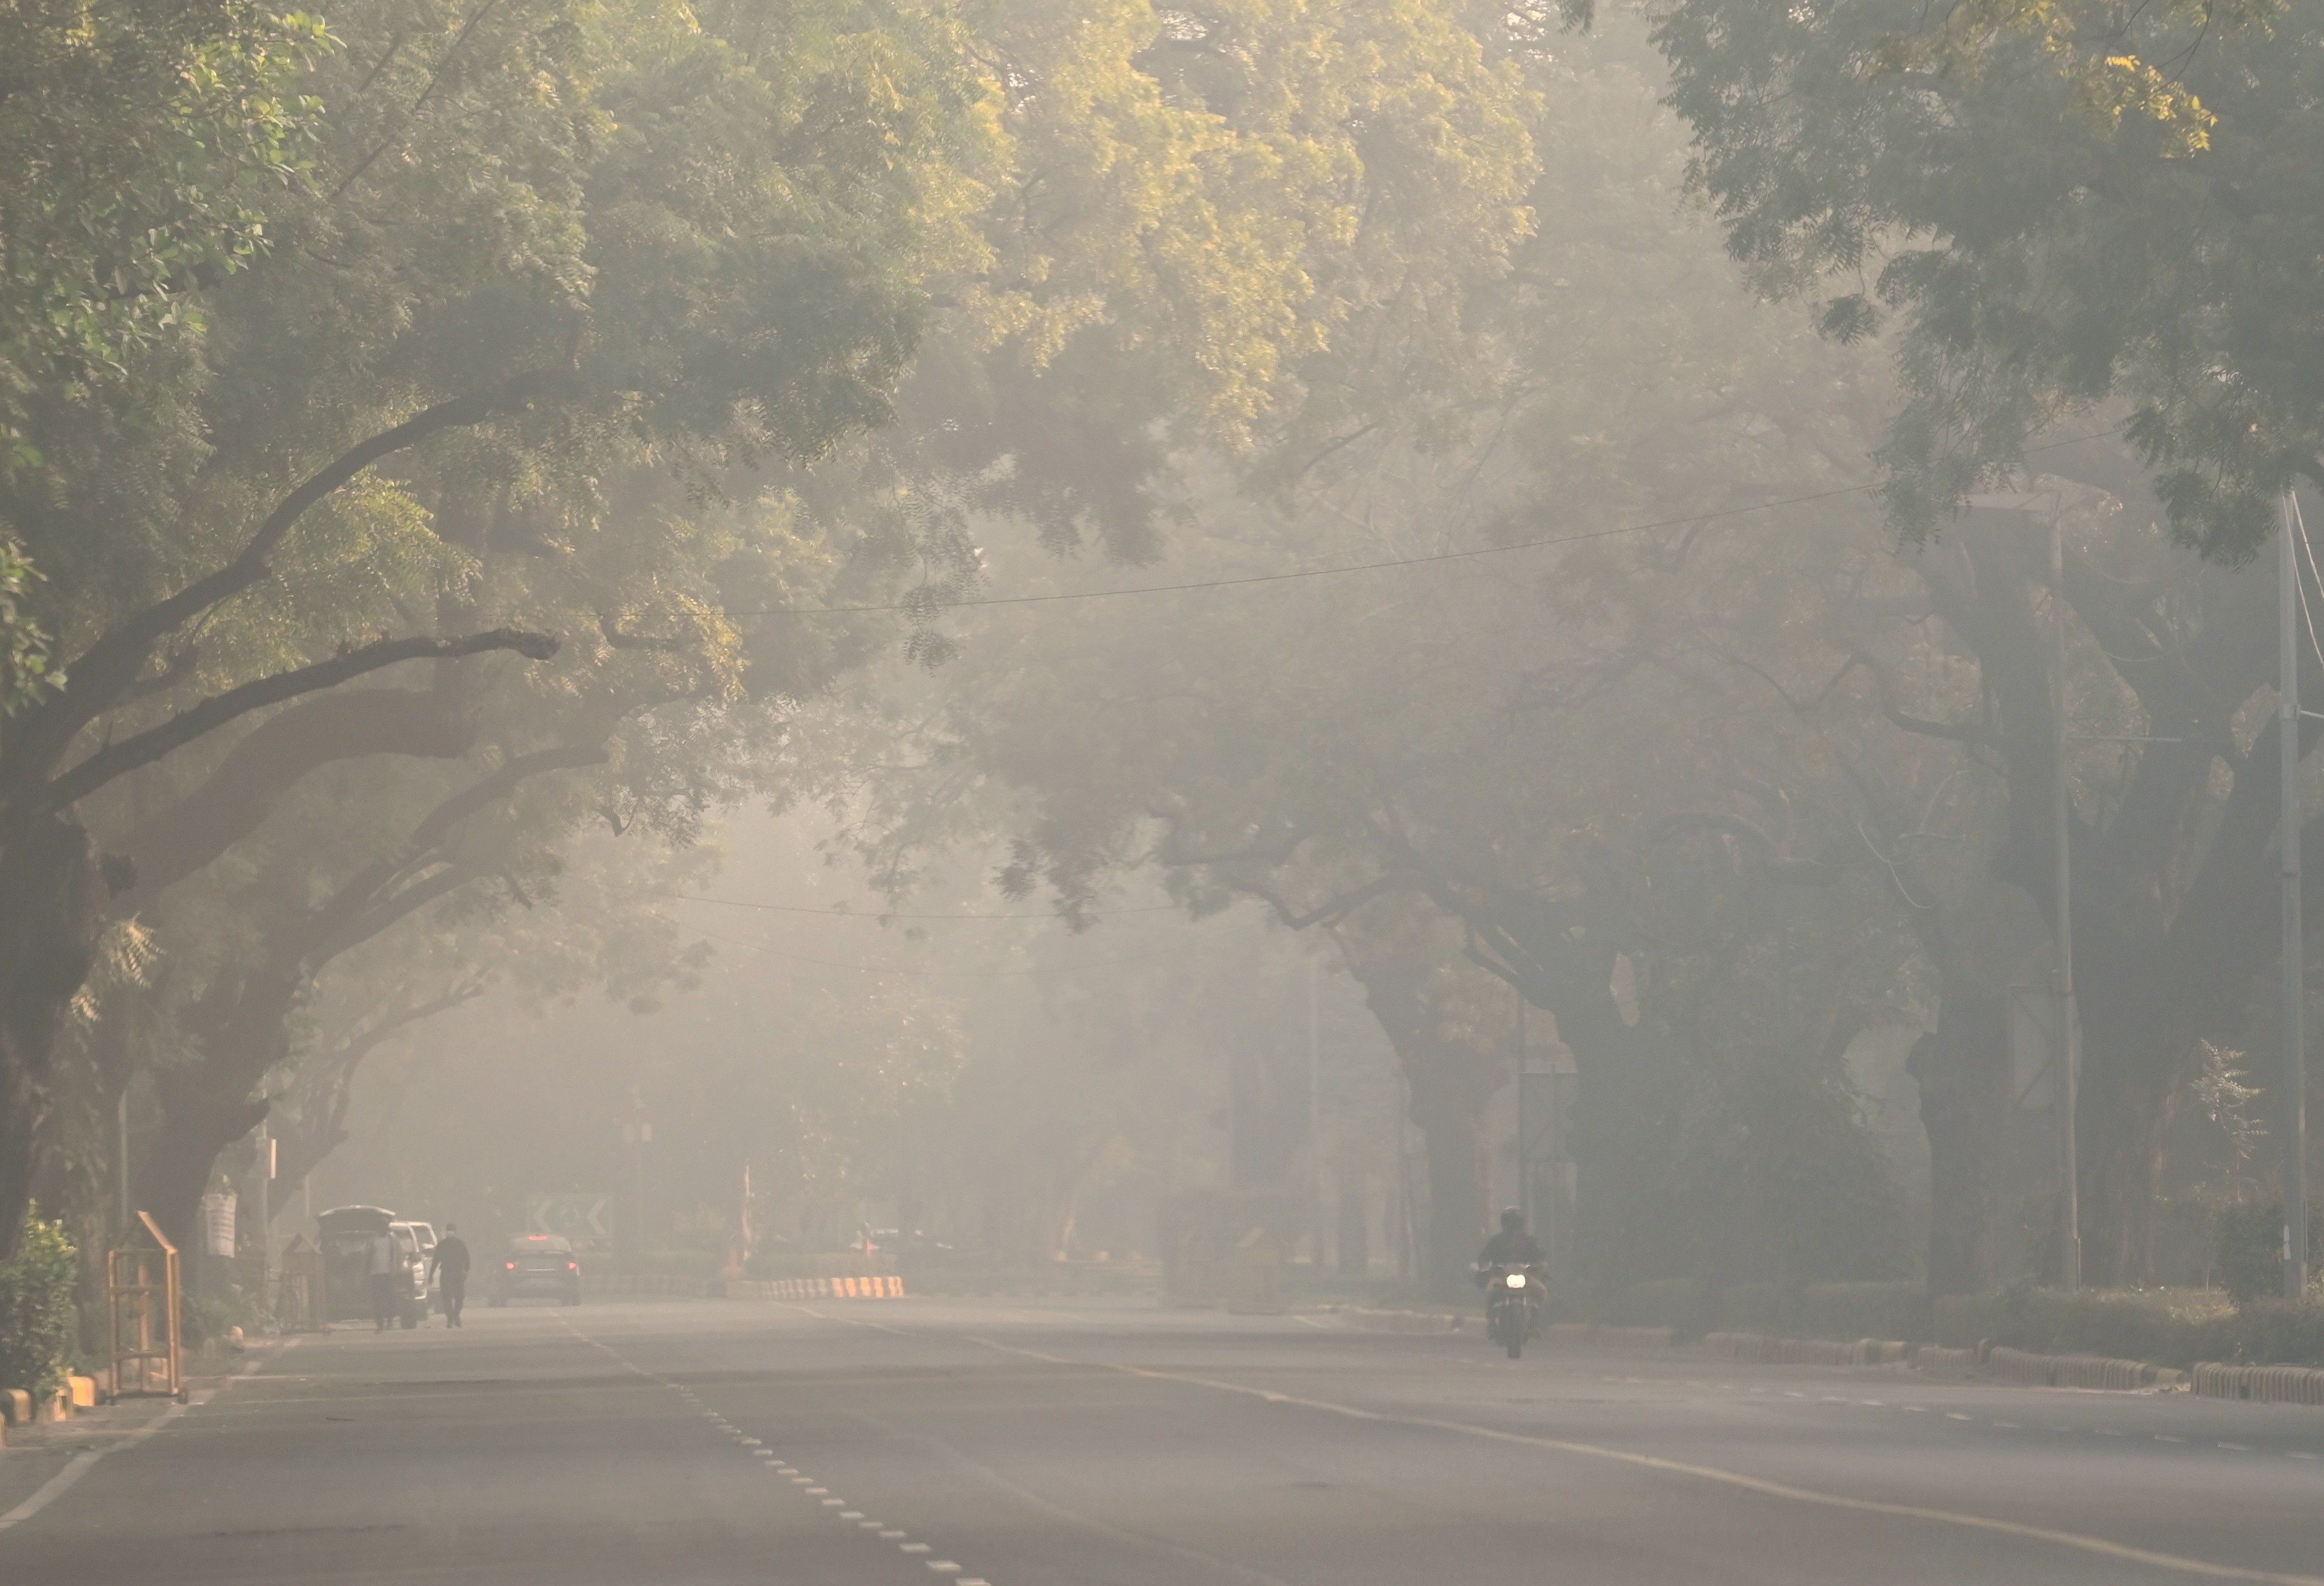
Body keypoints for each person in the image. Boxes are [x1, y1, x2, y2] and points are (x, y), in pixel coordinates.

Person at [1474, 1207, 1545, 1284]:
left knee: (1541, 1291)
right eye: (1510, 1222)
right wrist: (1486, 1268)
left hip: (1526, 1278)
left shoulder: (1530, 1240)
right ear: (1504, 1223)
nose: (1513, 1226)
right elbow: (1485, 1257)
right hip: (1500, 1278)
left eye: (1515, 1222)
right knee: (1492, 1290)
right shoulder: (1496, 1241)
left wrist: (1538, 1266)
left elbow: (1540, 1257)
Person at [429, 1222, 472, 1328]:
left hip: (457, 1273)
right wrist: (431, 1275)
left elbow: (467, 1258)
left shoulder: (460, 1244)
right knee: (446, 1298)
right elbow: (436, 1260)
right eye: (448, 1230)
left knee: (460, 1297)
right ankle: (450, 1318)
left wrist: (466, 1270)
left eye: (451, 1230)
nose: (450, 1232)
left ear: (455, 1232)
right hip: (446, 1273)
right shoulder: (442, 1245)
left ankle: (455, 1315)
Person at [366, 1228, 397, 1331]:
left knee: (390, 1299)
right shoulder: (373, 1241)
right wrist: (366, 1271)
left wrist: (395, 1270)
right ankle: (380, 1324)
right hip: (375, 1274)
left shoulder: (391, 1240)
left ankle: (390, 1321)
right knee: (377, 1301)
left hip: (388, 1274)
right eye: (380, 1226)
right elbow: (368, 1256)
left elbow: (396, 1255)